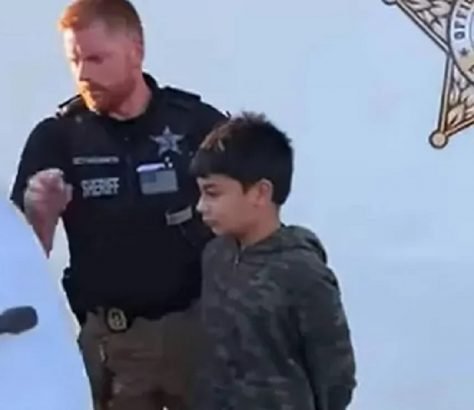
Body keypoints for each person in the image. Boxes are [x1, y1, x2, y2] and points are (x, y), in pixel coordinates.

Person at [9, 0, 226, 409]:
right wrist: (40, 215)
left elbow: (252, 218)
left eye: (96, 59)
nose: (83, 75)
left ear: (135, 50)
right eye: (74, 61)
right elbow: (20, 262)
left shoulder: (196, 125)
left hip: (197, 336)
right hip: (113, 344)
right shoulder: (58, 137)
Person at [189, 112, 357, 409]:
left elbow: (336, 376)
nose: (201, 206)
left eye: (212, 193)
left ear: (260, 193)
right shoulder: (215, 256)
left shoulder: (304, 274)